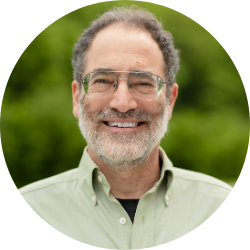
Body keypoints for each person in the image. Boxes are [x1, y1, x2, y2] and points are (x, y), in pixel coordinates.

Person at [18, 6, 232, 248]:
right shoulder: (34, 207)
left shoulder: (216, 204)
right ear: (77, 97)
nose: (122, 104)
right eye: (102, 81)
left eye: (142, 82)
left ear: (170, 100)